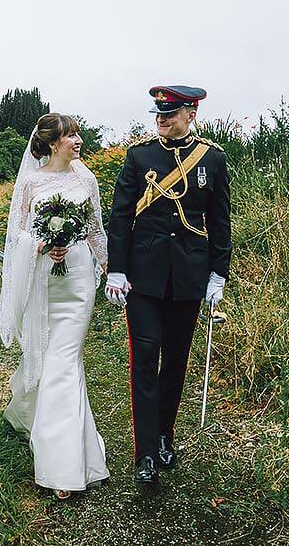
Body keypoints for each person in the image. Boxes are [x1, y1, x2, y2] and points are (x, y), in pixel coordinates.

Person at [104, 85, 231, 485]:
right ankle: (143, 455)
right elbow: (121, 216)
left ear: (191, 113)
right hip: (143, 277)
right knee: (143, 361)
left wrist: (218, 273)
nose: (162, 118)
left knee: (174, 362)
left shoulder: (213, 158)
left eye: (170, 113)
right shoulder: (139, 156)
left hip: (189, 278)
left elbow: (220, 220)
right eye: (159, 113)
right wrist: (117, 270)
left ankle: (163, 436)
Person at [0, 112, 110, 499]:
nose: (78, 141)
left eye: (78, 133)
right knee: (52, 359)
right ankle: (63, 443)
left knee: (65, 359)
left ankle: (61, 467)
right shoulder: (30, 181)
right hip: (44, 276)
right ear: (50, 143)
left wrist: (111, 269)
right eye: (70, 136)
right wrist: (43, 244)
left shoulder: (87, 178)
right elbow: (17, 233)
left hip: (79, 280)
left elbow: (95, 227)